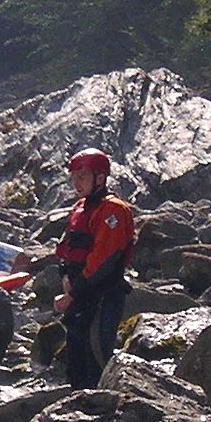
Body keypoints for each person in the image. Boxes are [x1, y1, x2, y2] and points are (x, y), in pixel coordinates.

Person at [54, 148, 136, 388]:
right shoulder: (79, 208)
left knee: (97, 354)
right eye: (74, 178)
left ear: (100, 178)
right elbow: (65, 248)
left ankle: (105, 412)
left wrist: (73, 293)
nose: (76, 183)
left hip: (103, 294)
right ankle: (77, 410)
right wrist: (65, 277)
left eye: (82, 176)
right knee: (76, 358)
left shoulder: (114, 210)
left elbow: (104, 259)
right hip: (80, 294)